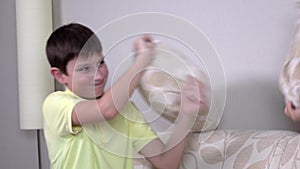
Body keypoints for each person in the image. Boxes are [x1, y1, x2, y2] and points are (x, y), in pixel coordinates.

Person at [43, 22, 208, 169]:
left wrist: (187, 113)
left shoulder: (126, 110)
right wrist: (143, 60)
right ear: (59, 75)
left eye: (100, 63)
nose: (99, 75)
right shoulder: (55, 104)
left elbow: (166, 163)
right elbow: (106, 110)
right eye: (85, 68)